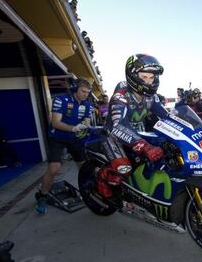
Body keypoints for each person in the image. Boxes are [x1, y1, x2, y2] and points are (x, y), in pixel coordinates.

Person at [99, 54, 168, 198]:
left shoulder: (151, 97)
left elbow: (166, 116)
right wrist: (145, 146)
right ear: (133, 75)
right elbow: (118, 126)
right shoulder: (121, 95)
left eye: (152, 77)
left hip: (138, 136)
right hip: (114, 137)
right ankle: (102, 177)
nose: (149, 82)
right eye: (144, 77)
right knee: (125, 169)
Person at [34, 78, 92, 214]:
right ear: (74, 89)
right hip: (57, 138)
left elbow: (87, 121)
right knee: (54, 168)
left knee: (84, 169)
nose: (86, 95)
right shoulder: (61, 99)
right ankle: (42, 196)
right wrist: (73, 128)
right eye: (83, 91)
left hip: (75, 138)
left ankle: (88, 193)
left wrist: (85, 126)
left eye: (88, 92)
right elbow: (55, 123)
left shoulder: (87, 104)